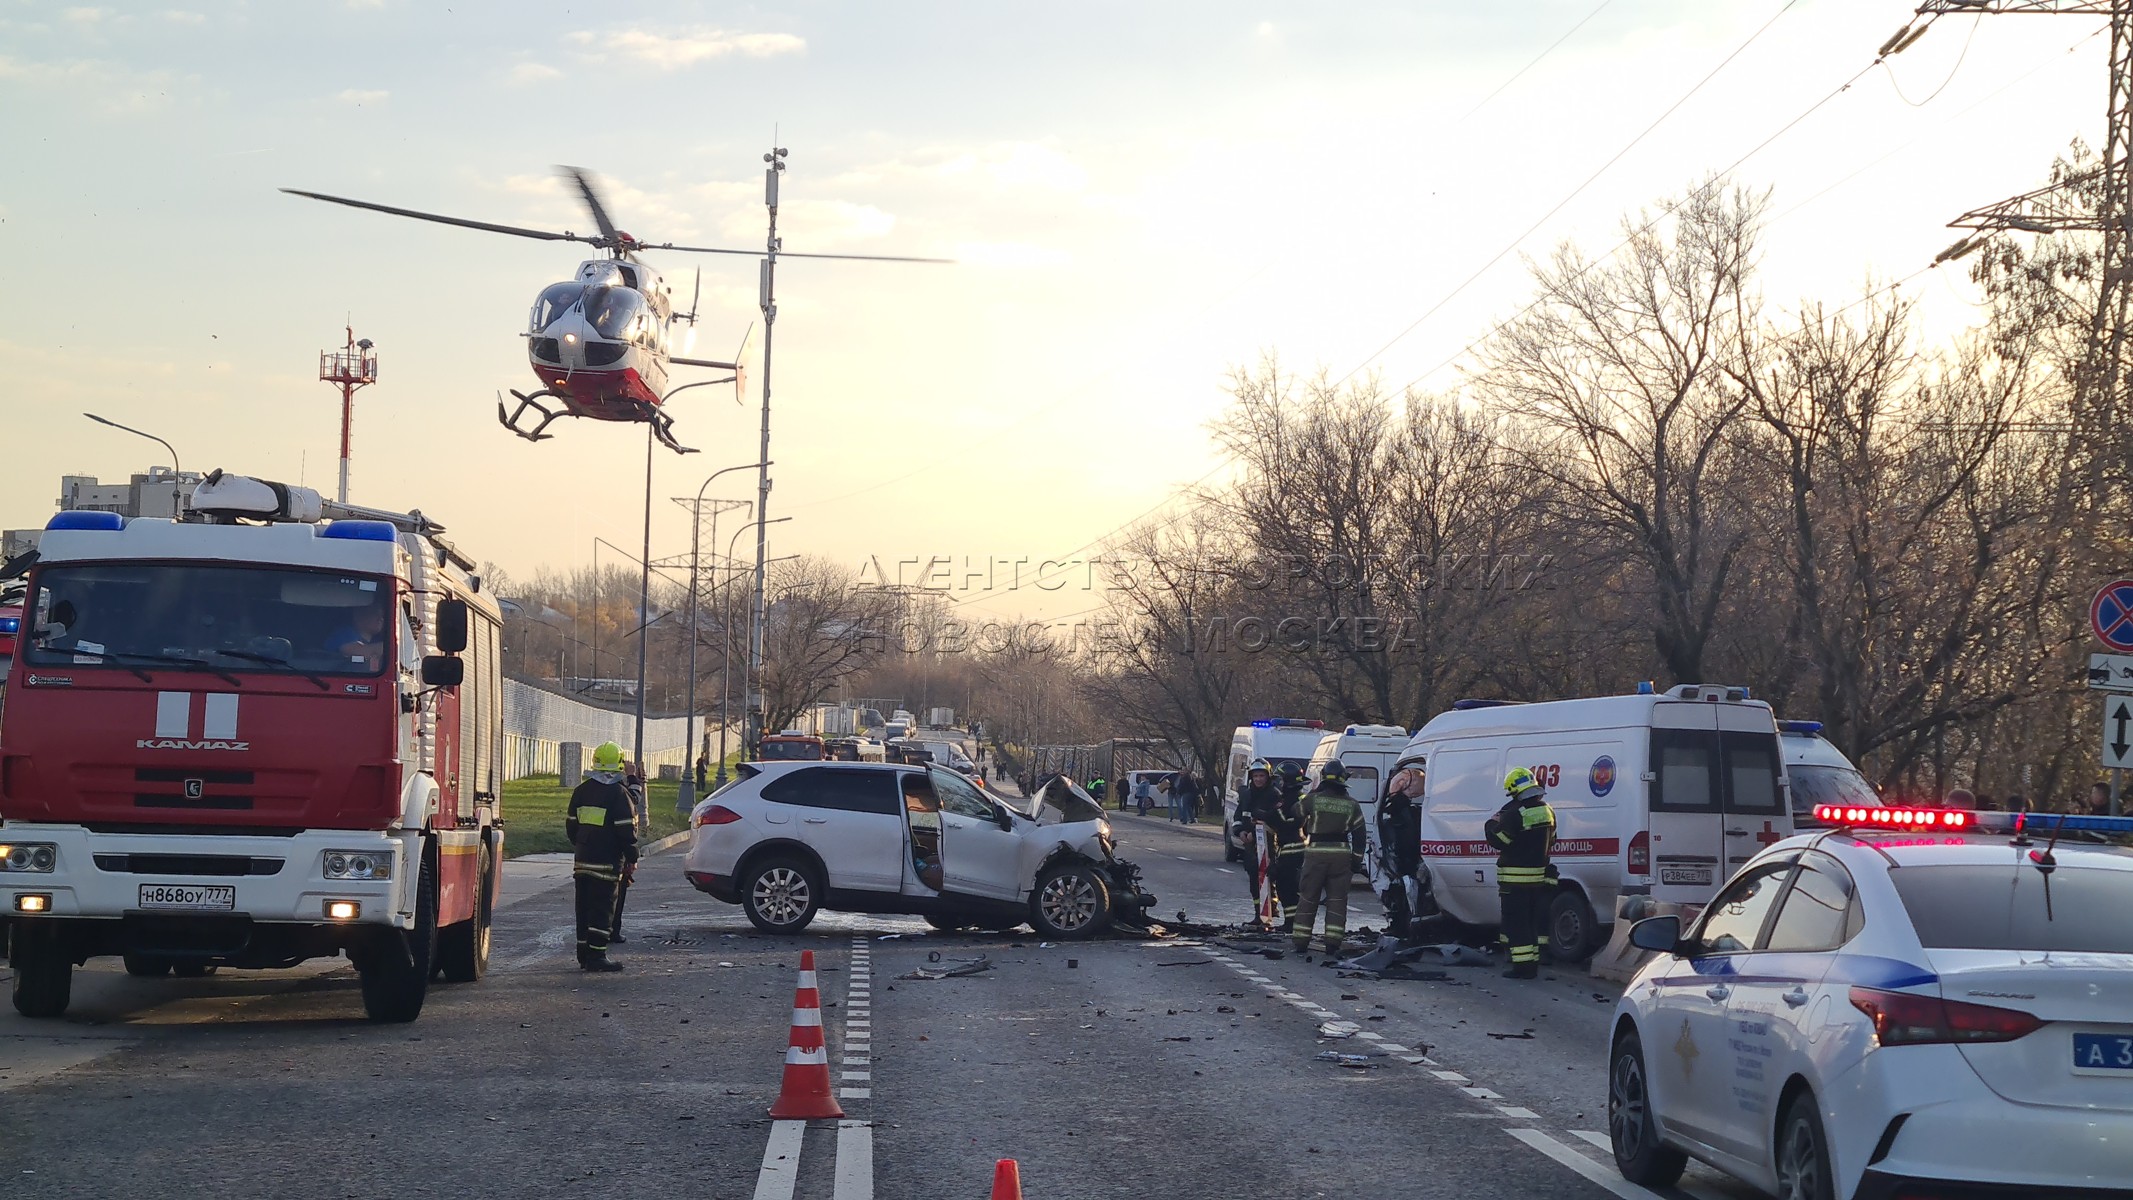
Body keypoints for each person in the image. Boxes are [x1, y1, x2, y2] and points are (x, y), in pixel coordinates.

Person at [566, 742, 638, 972]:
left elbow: (571, 826)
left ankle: (583, 955)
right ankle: (597, 956)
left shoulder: (581, 791)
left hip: (582, 861)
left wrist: (582, 845)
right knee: (602, 909)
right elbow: (626, 831)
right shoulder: (619, 794)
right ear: (619, 765)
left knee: (583, 909)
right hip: (606, 864)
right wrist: (632, 857)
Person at [1290, 761, 1365, 958]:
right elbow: (1360, 836)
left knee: (1308, 897)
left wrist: (1313, 793)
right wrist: (1356, 861)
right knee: (1337, 900)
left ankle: (1300, 940)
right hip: (1341, 856)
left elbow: (1295, 812)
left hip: (1315, 854)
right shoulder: (1352, 804)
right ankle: (1332, 942)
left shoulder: (1314, 800)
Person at [1488, 767, 1557, 980]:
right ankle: (1533, 962)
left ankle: (1524, 968)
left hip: (1514, 881)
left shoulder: (1515, 813)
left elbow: (1500, 841)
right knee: (1530, 922)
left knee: (1518, 925)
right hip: (1537, 879)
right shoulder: (1547, 810)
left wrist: (1490, 824)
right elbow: (1552, 839)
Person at [1375, 753, 1428, 941]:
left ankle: (1400, 927)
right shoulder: (1408, 809)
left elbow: (1402, 837)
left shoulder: (1398, 808)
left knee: (1400, 894)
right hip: (1408, 859)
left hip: (1403, 860)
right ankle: (1401, 926)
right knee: (1406, 894)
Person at [1230, 759, 1283, 912]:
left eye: (1262, 776)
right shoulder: (1246, 795)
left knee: (1268, 877)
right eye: (1256, 776)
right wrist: (1240, 831)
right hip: (1250, 845)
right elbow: (1238, 816)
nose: (1258, 779)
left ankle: (1271, 910)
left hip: (1269, 844)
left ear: (1268, 776)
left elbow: (1275, 820)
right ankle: (1258, 913)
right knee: (1254, 879)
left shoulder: (1274, 795)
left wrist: (1256, 833)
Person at [610, 760, 648, 944]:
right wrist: (633, 777)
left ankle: (598, 935)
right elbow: (633, 798)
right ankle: (612, 932)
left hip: (592, 852)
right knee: (616, 896)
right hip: (616, 854)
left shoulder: (591, 789)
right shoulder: (618, 792)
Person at [326, 600, 388, 671]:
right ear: (358, 615)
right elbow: (359, 652)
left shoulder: (378, 639)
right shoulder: (342, 633)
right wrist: (389, 646)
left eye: (382, 615)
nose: (381, 619)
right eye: (375, 614)